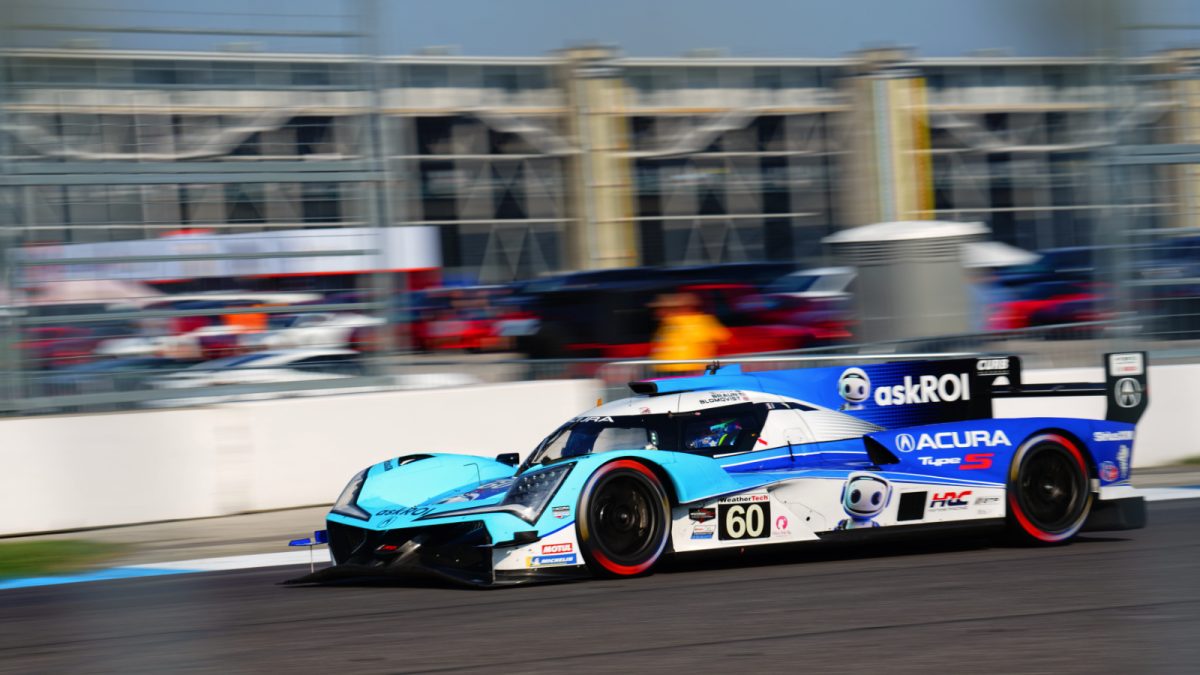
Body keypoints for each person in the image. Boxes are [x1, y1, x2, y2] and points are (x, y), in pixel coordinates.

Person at [649, 292, 731, 373]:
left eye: (662, 308)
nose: (657, 312)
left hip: (687, 369)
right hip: (665, 369)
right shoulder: (668, 322)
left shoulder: (701, 321)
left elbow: (722, 338)